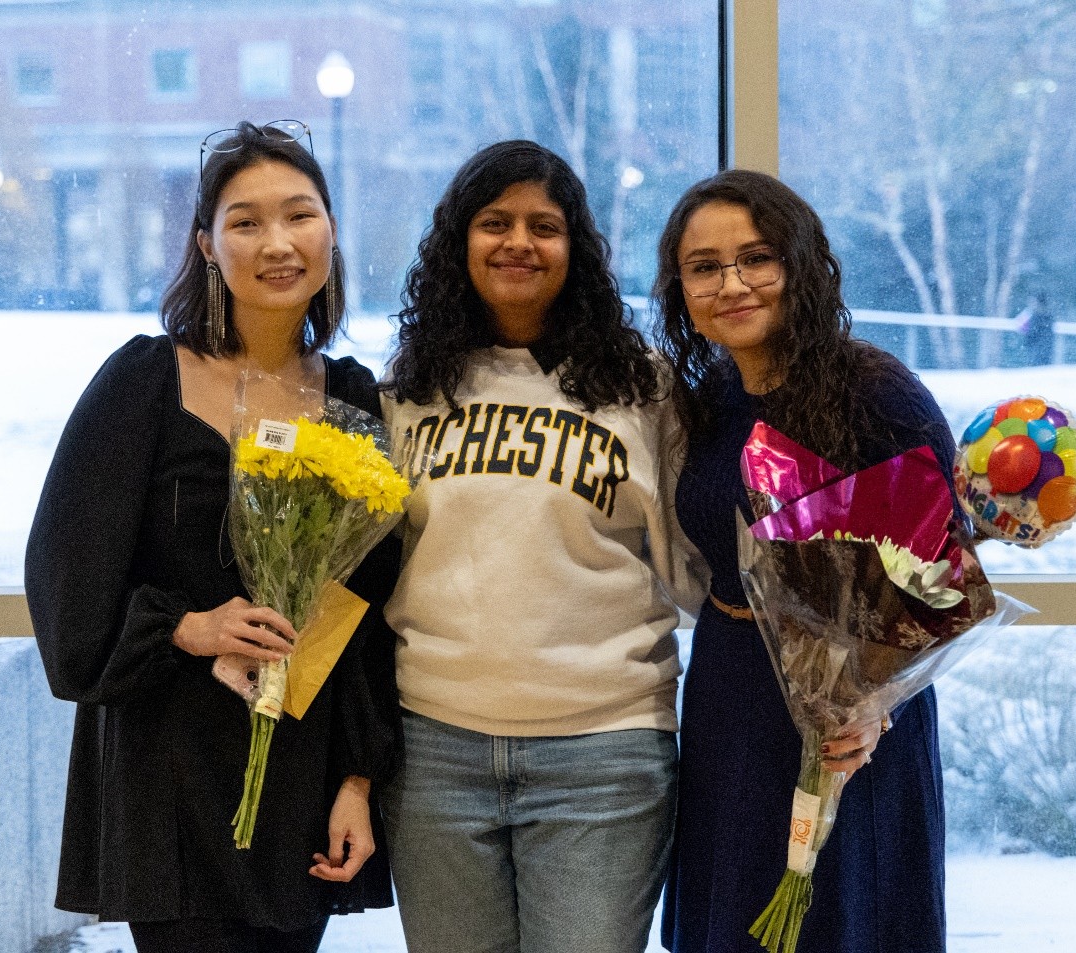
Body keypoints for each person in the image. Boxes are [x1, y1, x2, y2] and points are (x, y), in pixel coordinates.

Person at [24, 121, 399, 953]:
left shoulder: (353, 397)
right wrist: (189, 627)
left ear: (332, 231)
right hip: (169, 767)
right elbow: (65, 582)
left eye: (300, 215)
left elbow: (366, 614)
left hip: (296, 770)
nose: (278, 243)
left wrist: (358, 780)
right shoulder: (142, 383)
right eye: (245, 221)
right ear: (206, 244)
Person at [378, 139, 707, 953]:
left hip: (604, 754)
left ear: (576, 248)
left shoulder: (644, 385)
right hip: (434, 748)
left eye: (543, 225)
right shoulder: (411, 390)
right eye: (495, 222)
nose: (518, 242)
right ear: (460, 242)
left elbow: (699, 569)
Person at [652, 169, 957, 953]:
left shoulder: (877, 390)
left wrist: (874, 701)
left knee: (846, 913)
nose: (733, 283)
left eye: (756, 257)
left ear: (799, 264)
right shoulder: (709, 398)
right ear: (680, 286)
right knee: (735, 913)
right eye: (705, 266)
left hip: (855, 717)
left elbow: (941, 576)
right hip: (730, 690)